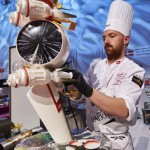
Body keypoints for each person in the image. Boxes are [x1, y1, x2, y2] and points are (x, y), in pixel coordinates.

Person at [62, 0, 145, 149]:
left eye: (112, 36)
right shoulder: (95, 65)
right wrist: (70, 86)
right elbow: (80, 95)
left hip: (117, 142)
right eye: (104, 37)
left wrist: (87, 89)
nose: (106, 41)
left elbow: (123, 109)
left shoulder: (135, 71)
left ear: (126, 39)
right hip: (93, 139)